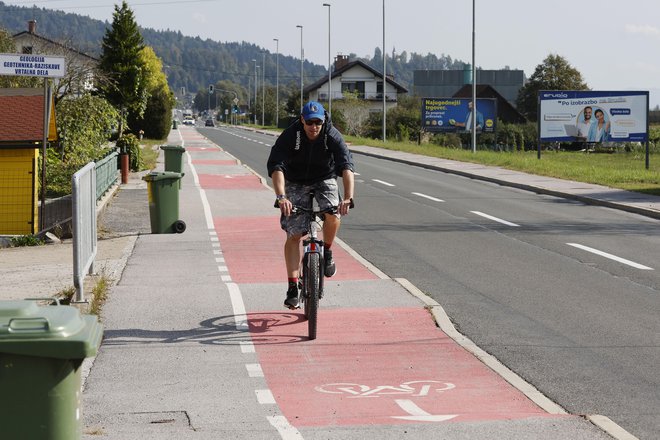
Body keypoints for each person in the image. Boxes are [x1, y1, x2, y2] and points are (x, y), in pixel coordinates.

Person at [267, 101, 355, 309]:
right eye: (309, 122)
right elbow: (276, 166)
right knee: (294, 233)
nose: (314, 127)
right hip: (295, 181)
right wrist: (281, 197)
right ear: (302, 120)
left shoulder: (331, 135)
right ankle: (292, 287)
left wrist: (348, 198)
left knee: (333, 214)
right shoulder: (291, 135)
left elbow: (346, 167)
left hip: (324, 177)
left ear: (323, 121)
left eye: (318, 122)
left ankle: (328, 250)